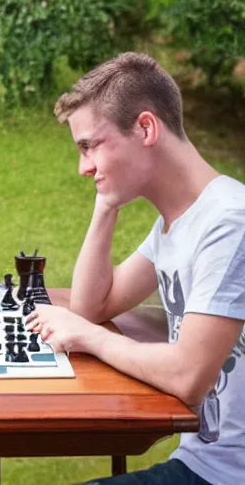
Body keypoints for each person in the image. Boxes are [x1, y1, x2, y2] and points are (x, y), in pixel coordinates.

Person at [26, 52, 245, 485]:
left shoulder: (229, 223)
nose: (83, 167)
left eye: (89, 146)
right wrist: (105, 203)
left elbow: (188, 376)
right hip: (201, 465)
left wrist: (86, 338)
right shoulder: (177, 222)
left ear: (146, 128)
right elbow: (93, 305)